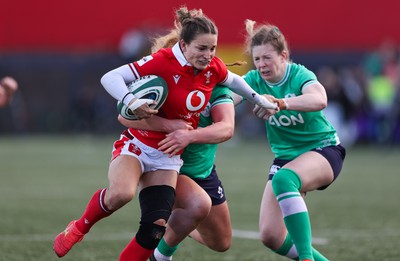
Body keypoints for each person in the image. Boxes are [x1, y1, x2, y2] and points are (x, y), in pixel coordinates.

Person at [53, 7, 276, 261]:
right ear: (183, 45)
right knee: (122, 194)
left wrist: (260, 100)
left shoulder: (213, 70)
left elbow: (234, 85)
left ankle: (160, 255)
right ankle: (80, 226)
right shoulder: (162, 61)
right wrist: (132, 101)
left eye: (212, 49)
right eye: (202, 49)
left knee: (155, 229)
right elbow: (112, 81)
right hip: (138, 146)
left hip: (168, 158)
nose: (209, 55)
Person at [243, 20, 346, 261]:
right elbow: (226, 97)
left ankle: (306, 258)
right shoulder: (253, 80)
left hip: (323, 150)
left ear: (283, 56)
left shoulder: (299, 74)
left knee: (284, 179)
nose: (261, 65)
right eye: (256, 59)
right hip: (287, 157)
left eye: (267, 57)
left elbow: (319, 99)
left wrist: (280, 103)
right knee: (271, 235)